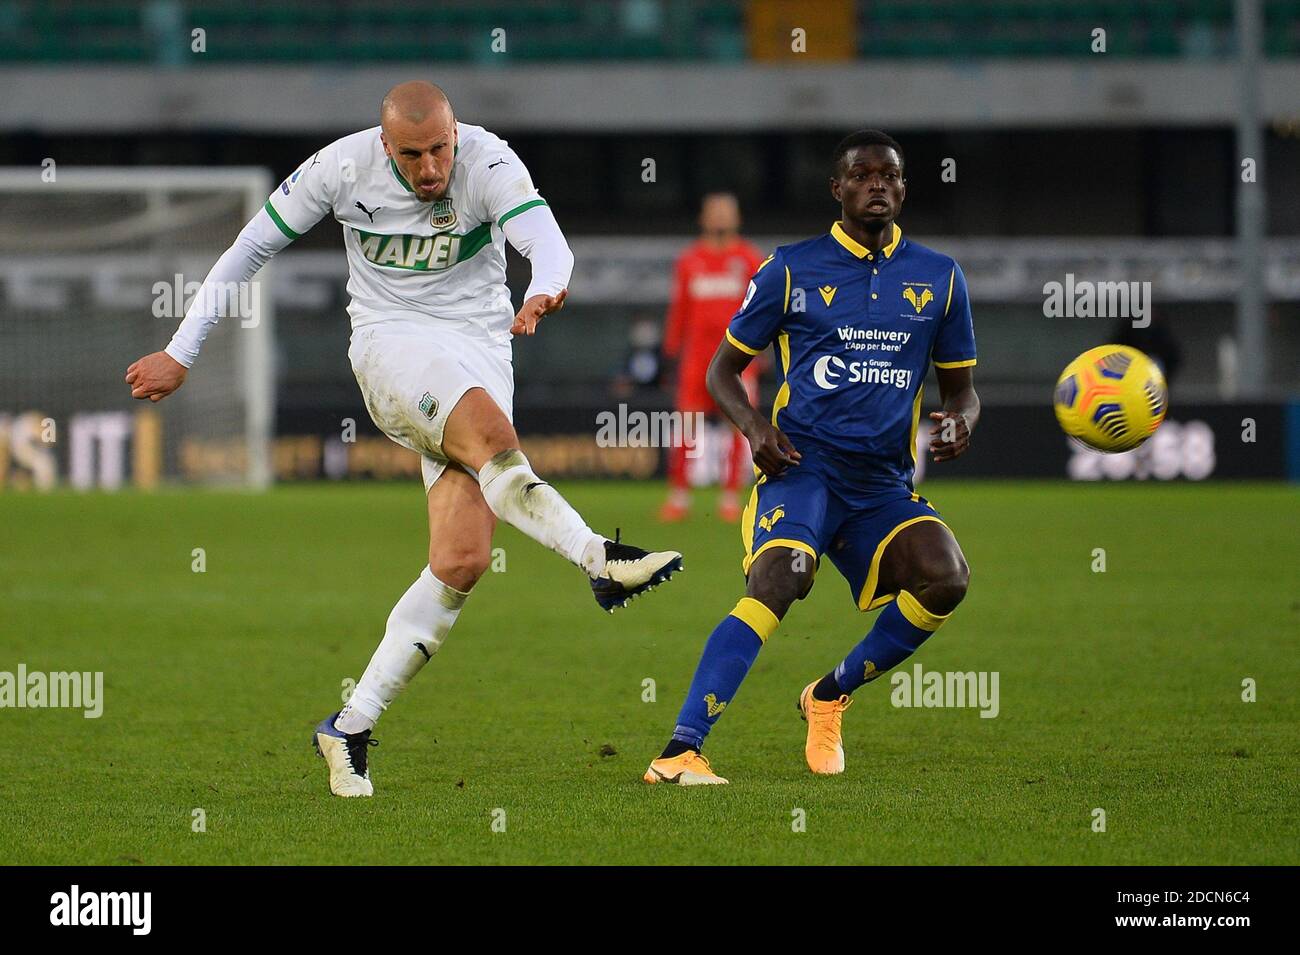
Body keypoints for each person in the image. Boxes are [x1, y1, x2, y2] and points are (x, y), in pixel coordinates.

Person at [125, 81, 682, 798]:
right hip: (391, 350)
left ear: (456, 135)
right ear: (384, 145)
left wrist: (546, 283)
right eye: (412, 154)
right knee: (491, 436)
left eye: (440, 149)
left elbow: (545, 238)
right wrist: (182, 349)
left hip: (479, 352)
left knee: (462, 559)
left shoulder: (487, 161)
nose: (429, 168)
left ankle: (348, 728)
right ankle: (597, 557)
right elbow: (251, 245)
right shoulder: (341, 168)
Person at [643, 130, 979, 785]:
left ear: (905, 189)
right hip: (803, 469)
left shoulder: (940, 278)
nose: (877, 185)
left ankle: (828, 694)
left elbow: (962, 392)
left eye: (890, 176)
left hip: (883, 483)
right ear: (838, 189)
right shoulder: (790, 269)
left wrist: (959, 423)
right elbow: (720, 371)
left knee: (948, 575)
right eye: (862, 175)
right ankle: (681, 749)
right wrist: (753, 425)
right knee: (782, 576)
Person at [659, 193, 765, 523]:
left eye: (725, 213)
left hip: (737, 358)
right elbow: (680, 310)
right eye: (714, 213)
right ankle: (679, 496)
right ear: (703, 218)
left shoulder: (750, 258)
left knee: (738, 426)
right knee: (686, 427)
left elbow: (760, 311)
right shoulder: (689, 260)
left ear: (737, 219)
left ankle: (731, 497)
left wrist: (761, 353)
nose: (720, 219)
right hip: (696, 359)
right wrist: (670, 353)